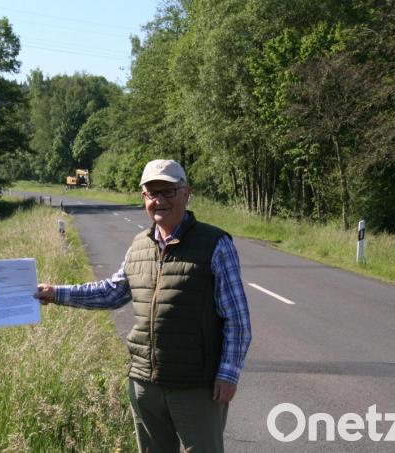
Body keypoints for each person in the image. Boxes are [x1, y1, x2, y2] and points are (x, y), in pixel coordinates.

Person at [35, 159, 251, 453]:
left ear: (186, 193)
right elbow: (112, 292)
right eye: (152, 193)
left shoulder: (215, 244)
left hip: (196, 387)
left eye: (168, 192)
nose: (159, 200)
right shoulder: (139, 245)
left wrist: (228, 374)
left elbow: (237, 320)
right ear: (143, 198)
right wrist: (56, 293)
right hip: (144, 384)